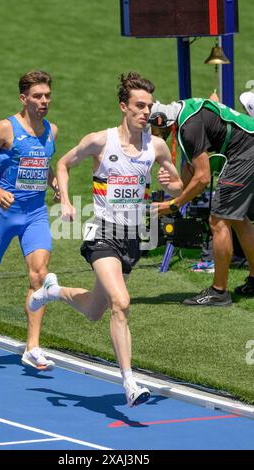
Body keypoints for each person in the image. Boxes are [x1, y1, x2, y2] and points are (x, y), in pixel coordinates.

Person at [28, 72, 183, 406]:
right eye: (139, 106)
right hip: (103, 234)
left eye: (149, 106)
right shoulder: (101, 141)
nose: (146, 112)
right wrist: (66, 200)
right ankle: (129, 382)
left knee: (95, 310)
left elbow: (178, 186)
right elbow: (64, 164)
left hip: (132, 238)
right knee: (122, 302)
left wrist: (171, 184)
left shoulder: (154, 146)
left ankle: (53, 291)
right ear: (123, 106)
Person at [0, 71, 59, 369]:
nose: (44, 101)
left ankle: (33, 347)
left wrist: (54, 185)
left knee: (39, 276)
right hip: (4, 215)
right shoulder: (5, 128)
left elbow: (44, 164)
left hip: (35, 214)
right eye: (38, 96)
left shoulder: (51, 130)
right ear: (23, 98)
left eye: (47, 96)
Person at [150, 96, 254, 305]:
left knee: (218, 221)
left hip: (245, 154)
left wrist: (173, 205)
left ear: (162, 121)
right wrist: (175, 194)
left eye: (154, 131)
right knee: (238, 219)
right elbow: (190, 171)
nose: (154, 136)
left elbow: (203, 177)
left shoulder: (188, 128)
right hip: (247, 149)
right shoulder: (185, 112)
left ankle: (219, 292)